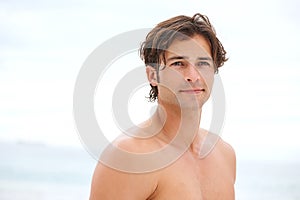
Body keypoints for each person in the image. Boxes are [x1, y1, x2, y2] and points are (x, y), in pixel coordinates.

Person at [90, 13, 236, 200]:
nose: (193, 75)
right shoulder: (130, 157)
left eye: (202, 63)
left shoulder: (224, 154)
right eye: (178, 63)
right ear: (153, 76)